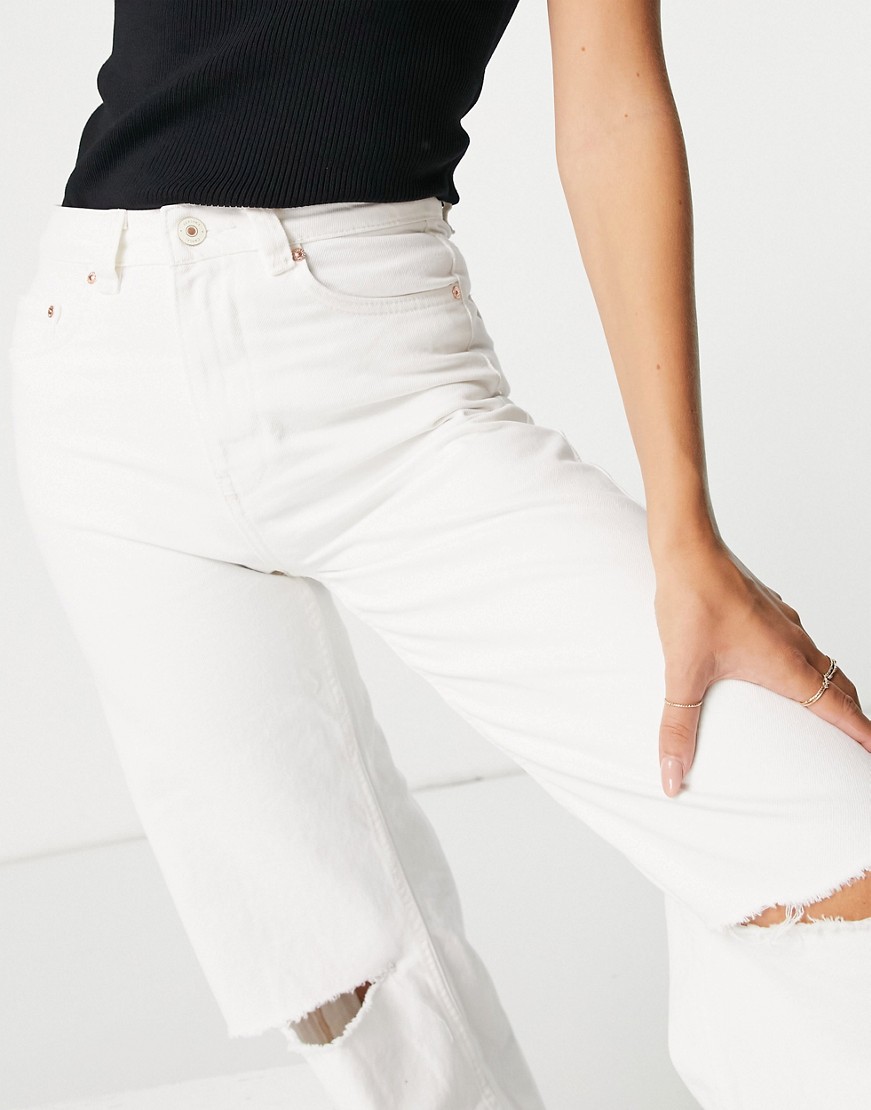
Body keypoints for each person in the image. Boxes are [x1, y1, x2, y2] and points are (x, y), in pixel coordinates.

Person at [8, 2, 871, 1107]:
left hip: (381, 368)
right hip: (98, 363)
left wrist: (684, 534)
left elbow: (609, 106)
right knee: (343, 981)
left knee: (823, 841)